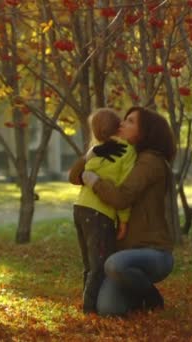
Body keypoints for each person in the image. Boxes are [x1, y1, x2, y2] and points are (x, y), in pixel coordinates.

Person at [68, 106, 176, 316]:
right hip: (124, 253)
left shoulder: (150, 162)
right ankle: (134, 296)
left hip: (153, 252)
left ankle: (150, 296)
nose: (122, 124)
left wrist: (95, 181)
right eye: (123, 119)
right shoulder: (118, 151)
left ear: (146, 131)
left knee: (114, 265)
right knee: (109, 309)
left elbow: (121, 197)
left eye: (130, 121)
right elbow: (74, 177)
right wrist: (91, 154)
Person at [72, 108, 137, 314]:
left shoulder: (96, 151)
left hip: (80, 208)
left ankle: (87, 303)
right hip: (100, 213)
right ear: (118, 125)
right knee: (99, 266)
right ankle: (89, 311)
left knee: (89, 265)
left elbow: (75, 176)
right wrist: (124, 221)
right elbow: (124, 189)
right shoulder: (126, 151)